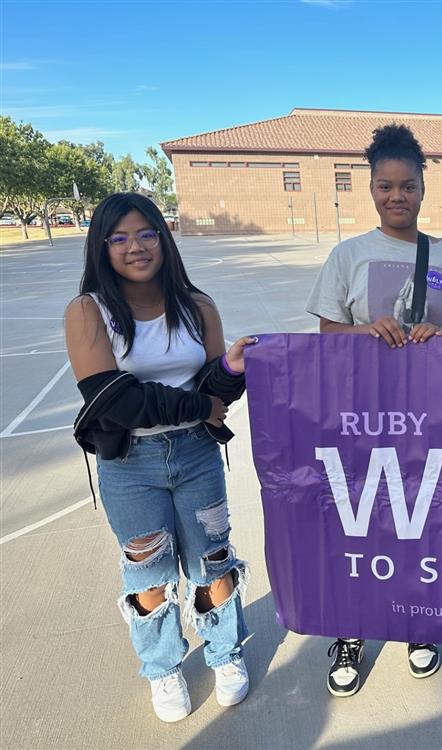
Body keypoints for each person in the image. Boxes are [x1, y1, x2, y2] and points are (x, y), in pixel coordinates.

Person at [306, 122, 442, 697]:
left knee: (424, 521)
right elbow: (326, 332)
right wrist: (364, 330)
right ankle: (353, 628)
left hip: (433, 419)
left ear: (423, 188)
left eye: (407, 186)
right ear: (371, 189)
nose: (397, 197)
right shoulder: (349, 255)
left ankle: (419, 621)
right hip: (362, 417)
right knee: (360, 524)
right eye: (385, 186)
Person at [66, 192, 257, 722]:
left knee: (213, 559)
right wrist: (202, 403)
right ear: (102, 247)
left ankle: (225, 654)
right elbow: (117, 400)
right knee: (148, 571)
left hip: (196, 454)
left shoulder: (198, 305)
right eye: (120, 237)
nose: (136, 247)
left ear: (163, 238)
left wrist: (234, 369)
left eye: (146, 233)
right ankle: (164, 666)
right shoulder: (89, 311)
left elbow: (215, 386)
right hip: (131, 464)